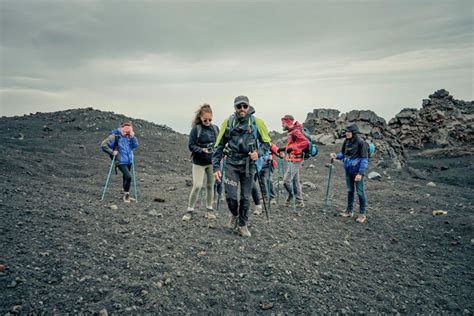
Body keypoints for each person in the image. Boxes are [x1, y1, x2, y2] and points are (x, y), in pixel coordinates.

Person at [213, 95, 271, 237]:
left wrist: (258, 153)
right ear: (235, 108)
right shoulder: (228, 122)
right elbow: (219, 145)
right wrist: (215, 168)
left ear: (249, 106)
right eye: (239, 106)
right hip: (232, 164)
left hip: (248, 165)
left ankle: (242, 224)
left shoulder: (257, 122)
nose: (242, 109)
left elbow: (267, 143)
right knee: (231, 196)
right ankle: (234, 214)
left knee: (245, 197)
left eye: (244, 106)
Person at [183, 104, 219, 221]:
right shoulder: (195, 130)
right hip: (198, 162)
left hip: (211, 162)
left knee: (210, 186)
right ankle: (190, 210)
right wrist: (201, 150)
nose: (207, 122)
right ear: (200, 118)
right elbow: (191, 146)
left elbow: (219, 144)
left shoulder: (215, 129)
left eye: (210, 119)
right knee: (197, 186)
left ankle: (209, 209)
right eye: (205, 120)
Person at [330, 124, 369, 223]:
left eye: (348, 132)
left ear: (353, 133)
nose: (346, 133)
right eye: (346, 131)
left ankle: (362, 214)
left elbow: (364, 159)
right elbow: (343, 154)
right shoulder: (346, 141)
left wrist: (360, 173)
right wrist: (336, 156)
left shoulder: (361, 143)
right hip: (348, 170)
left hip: (357, 172)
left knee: (360, 192)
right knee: (350, 191)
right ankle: (349, 211)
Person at [101, 121, 138, 203]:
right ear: (122, 129)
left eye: (129, 131)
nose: (127, 132)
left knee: (125, 177)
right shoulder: (115, 136)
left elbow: (134, 146)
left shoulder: (129, 136)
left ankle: (124, 192)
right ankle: (126, 195)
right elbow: (103, 145)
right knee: (128, 176)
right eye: (126, 131)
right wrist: (112, 152)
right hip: (120, 161)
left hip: (129, 160)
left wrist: (133, 138)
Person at [278, 115, 309, 208]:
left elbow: (305, 142)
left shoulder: (295, 131)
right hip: (292, 159)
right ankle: (299, 201)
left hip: (296, 159)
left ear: (288, 122)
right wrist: (283, 148)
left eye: (283, 123)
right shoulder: (291, 131)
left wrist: (292, 148)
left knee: (286, 181)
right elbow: (292, 144)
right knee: (296, 182)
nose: (282, 125)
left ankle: (292, 195)